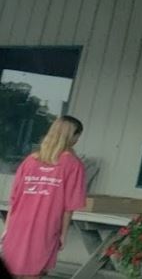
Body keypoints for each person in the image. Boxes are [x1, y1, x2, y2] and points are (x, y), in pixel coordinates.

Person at [1, 117, 87, 279]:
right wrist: (63, 233)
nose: (77, 140)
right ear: (71, 136)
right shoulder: (73, 165)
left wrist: (7, 226)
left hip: (18, 223)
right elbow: (69, 207)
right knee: (34, 271)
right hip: (46, 225)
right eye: (77, 136)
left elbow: (15, 198)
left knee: (13, 268)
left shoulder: (30, 161)